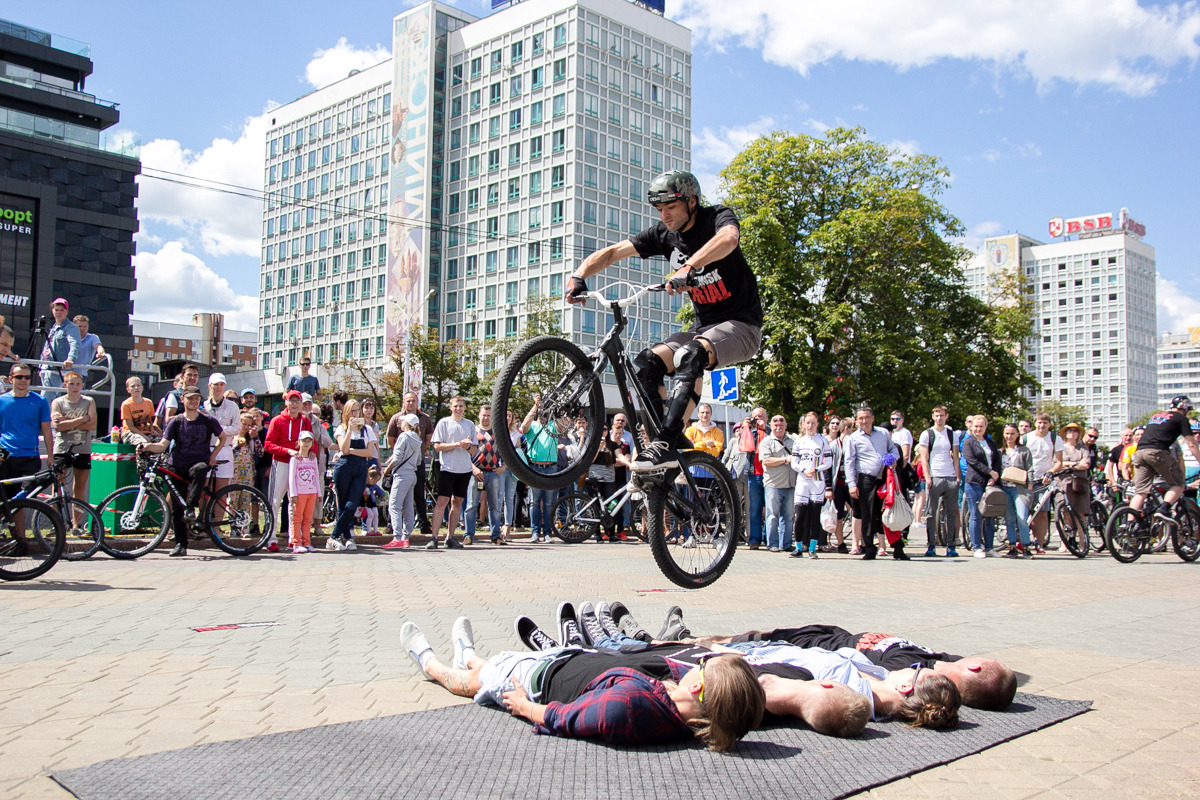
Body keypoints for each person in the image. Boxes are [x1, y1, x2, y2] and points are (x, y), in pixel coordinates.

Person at [565, 170, 763, 475]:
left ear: (692, 202)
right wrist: (579, 276)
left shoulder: (716, 218)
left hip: (742, 326)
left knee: (691, 354)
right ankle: (664, 440)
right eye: (659, 210)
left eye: (670, 207)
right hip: (703, 329)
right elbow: (615, 252)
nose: (665, 215)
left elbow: (729, 239)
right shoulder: (663, 235)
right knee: (647, 362)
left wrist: (690, 266)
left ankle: (665, 441)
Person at [400, 617, 765, 751]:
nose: (695, 664)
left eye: (702, 666)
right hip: (563, 661)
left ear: (700, 689)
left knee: (472, 681)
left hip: (538, 682)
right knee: (492, 663)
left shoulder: (632, 706)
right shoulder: (679, 700)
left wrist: (527, 707)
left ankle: (430, 662)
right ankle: (468, 653)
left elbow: (572, 718)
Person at [706, 621, 1015, 711]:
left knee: (754, 640)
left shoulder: (908, 671)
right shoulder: (943, 663)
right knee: (755, 639)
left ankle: (693, 640)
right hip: (836, 639)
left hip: (821, 647)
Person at [137, 386, 227, 557]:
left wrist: (213, 455)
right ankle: (180, 544)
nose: (194, 401)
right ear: (182, 400)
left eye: (196, 398)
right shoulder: (176, 421)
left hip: (198, 462)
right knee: (177, 507)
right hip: (177, 464)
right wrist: (147, 446)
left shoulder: (208, 420)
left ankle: (192, 508)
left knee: (200, 469)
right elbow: (163, 445)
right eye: (190, 398)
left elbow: (222, 437)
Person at [1129, 396, 1200, 522]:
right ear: (1184, 408)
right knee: (1178, 483)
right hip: (1157, 451)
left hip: (1139, 453)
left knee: (1141, 492)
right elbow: (1192, 444)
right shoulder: (1181, 418)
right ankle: (1164, 509)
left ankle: (1129, 525)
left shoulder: (1156, 416)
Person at [844, 407, 899, 560]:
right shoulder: (853, 438)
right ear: (856, 420)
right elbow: (849, 462)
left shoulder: (882, 434)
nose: (864, 421)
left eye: (867, 417)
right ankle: (869, 548)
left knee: (888, 511)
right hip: (866, 479)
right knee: (867, 514)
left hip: (884, 477)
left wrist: (893, 458)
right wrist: (852, 484)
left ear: (872, 418)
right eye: (860, 418)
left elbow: (894, 449)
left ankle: (897, 546)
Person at [264, 390, 314, 553]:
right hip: (282, 463)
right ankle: (270, 538)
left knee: (295, 503)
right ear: (286, 402)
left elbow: (310, 440)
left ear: (301, 404)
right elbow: (268, 444)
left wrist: (311, 450)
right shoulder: (277, 421)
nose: (294, 404)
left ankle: (295, 539)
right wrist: (287, 451)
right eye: (291, 401)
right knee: (275, 501)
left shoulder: (305, 421)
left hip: (300, 465)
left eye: (297, 401)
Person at [329, 398, 379, 550]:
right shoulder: (341, 429)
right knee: (342, 505)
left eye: (357, 410)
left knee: (352, 505)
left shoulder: (367, 430)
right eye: (351, 411)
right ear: (345, 413)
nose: (355, 414)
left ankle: (333, 537)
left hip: (359, 469)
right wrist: (350, 430)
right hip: (344, 468)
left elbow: (369, 452)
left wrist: (352, 451)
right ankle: (347, 537)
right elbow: (343, 449)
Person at [429, 397, 476, 549]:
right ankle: (434, 537)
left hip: (465, 469)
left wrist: (467, 447)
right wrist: (457, 444)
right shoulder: (443, 423)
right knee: (442, 501)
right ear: (450, 407)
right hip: (447, 468)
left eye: (461, 406)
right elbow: (437, 447)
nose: (458, 409)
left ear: (465, 408)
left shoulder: (469, 424)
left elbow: (474, 449)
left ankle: (450, 537)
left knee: (457, 502)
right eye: (455, 406)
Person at [0, 363, 54, 494]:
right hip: (6, 458)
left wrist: (50, 456)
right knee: (5, 503)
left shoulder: (40, 401)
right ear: (10, 379)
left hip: (30, 458)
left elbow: (47, 429)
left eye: (27, 377)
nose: (23, 380)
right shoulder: (1, 400)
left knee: (23, 501)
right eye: (19, 377)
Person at [386, 391, 434, 537]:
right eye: (408, 401)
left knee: (416, 495)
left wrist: (421, 452)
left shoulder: (424, 419)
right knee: (399, 498)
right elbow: (390, 438)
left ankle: (422, 523)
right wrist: (400, 453)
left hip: (413, 463)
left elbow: (428, 438)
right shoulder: (396, 418)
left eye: (413, 400)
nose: (411, 403)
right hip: (403, 462)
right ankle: (394, 526)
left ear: (417, 401)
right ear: (404, 402)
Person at [49, 371, 96, 517]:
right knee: (57, 486)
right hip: (62, 448)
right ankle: (55, 523)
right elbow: (58, 427)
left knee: (79, 488)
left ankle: (76, 524)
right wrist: (82, 419)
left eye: (78, 384)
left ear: (82, 385)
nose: (75, 387)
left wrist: (67, 422)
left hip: (83, 448)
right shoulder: (58, 402)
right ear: (65, 385)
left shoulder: (89, 401)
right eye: (71, 384)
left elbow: (92, 425)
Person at [917, 406, 959, 557]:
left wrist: (957, 476)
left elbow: (955, 456)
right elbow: (924, 458)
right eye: (936, 415)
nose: (939, 418)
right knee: (931, 513)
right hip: (935, 476)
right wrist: (927, 477)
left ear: (946, 416)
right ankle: (931, 545)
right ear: (933, 416)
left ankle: (950, 545)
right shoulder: (927, 434)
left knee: (951, 513)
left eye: (941, 415)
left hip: (950, 476)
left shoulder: (951, 434)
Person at [519, 393, 562, 544]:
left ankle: (548, 533)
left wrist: (559, 408)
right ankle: (535, 532)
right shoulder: (534, 425)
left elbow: (564, 424)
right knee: (534, 502)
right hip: (535, 467)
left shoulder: (552, 426)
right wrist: (535, 405)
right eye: (542, 410)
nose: (544, 413)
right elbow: (524, 426)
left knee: (549, 502)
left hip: (551, 467)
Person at [790, 412, 832, 559]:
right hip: (802, 480)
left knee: (815, 515)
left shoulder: (823, 441)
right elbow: (794, 462)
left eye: (813, 423)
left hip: (817, 481)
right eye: (807, 423)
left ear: (817, 424)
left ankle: (813, 549)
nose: (810, 426)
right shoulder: (799, 441)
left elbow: (829, 462)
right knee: (800, 515)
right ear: (803, 424)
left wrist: (816, 469)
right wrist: (803, 469)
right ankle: (799, 548)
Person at [1022, 413, 1064, 554]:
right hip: (1026, 479)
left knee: (1041, 512)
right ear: (1035, 423)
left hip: (1043, 480)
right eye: (1039, 422)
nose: (1042, 425)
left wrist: (1051, 472)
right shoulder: (1026, 438)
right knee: (1025, 511)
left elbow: (1059, 461)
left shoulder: (1055, 439)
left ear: (1049, 424)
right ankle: (1023, 541)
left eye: (1045, 423)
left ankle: (1039, 543)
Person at [465, 404, 506, 545]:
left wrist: (504, 467)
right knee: (471, 505)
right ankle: (468, 535)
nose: (486, 418)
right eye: (484, 415)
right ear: (479, 415)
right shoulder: (473, 431)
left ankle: (495, 536)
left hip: (493, 472)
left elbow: (507, 452)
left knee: (494, 506)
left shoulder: (498, 432)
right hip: (476, 472)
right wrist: (472, 468)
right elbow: (464, 454)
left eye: (489, 415)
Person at [962, 415, 1002, 558]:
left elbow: (997, 459)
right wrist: (989, 472)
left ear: (985, 427)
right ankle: (977, 547)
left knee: (990, 515)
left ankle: (990, 547)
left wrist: (994, 475)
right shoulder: (968, 442)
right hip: (975, 482)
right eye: (976, 426)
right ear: (971, 427)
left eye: (981, 426)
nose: (978, 429)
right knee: (976, 514)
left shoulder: (990, 443)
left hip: (990, 483)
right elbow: (972, 461)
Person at [383, 414, 422, 549]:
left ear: (407, 423)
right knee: (408, 506)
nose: (400, 423)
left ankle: (397, 537)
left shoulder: (404, 436)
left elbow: (398, 457)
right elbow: (418, 460)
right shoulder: (417, 439)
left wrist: (387, 469)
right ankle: (406, 537)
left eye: (402, 421)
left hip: (402, 474)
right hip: (412, 474)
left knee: (394, 505)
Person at [201, 373, 241, 504]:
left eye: (221, 385)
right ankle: (204, 521)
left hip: (225, 449)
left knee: (222, 491)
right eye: (216, 385)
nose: (218, 388)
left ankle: (216, 523)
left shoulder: (232, 406)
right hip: (206, 449)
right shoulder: (203, 406)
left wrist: (218, 429)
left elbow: (236, 428)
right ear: (209, 386)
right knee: (203, 489)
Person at [759, 415, 795, 553]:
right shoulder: (766, 442)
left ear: (786, 425)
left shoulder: (793, 441)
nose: (778, 425)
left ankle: (786, 544)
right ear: (771, 426)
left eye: (781, 423)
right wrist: (785, 459)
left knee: (788, 516)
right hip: (773, 484)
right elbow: (766, 461)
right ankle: (772, 543)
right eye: (775, 423)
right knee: (772, 515)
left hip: (791, 483)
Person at [998, 423, 1033, 558]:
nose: (1009, 436)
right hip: (1005, 488)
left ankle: (1025, 546)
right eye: (1007, 433)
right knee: (1009, 518)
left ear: (1018, 434)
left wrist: (1029, 486)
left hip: (1020, 488)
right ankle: (1012, 546)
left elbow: (1030, 468)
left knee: (1022, 518)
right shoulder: (1000, 452)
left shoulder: (1024, 450)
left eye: (1012, 433)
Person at [1057, 422, 1093, 548]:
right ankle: (1064, 543)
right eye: (1069, 430)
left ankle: (1083, 542)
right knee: (1064, 513)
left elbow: (1086, 464)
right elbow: (1057, 464)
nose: (1072, 433)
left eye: (1075, 430)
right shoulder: (1060, 448)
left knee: (1081, 514)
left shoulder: (1083, 448)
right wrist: (1075, 464)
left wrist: (1068, 464)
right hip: (1064, 484)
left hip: (1080, 484)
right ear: (1065, 434)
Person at [39, 298, 80, 399]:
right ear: (52, 310)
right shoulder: (54, 327)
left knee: (46, 400)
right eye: (56, 310)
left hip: (58, 370)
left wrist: (71, 359)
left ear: (67, 312)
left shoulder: (71, 327)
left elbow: (75, 344)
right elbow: (47, 347)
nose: (59, 312)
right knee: (50, 400)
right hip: (48, 368)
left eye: (62, 310)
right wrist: (41, 365)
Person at [288, 430, 321, 554]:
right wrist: (293, 494)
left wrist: (319, 493)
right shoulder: (295, 459)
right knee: (297, 518)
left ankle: (307, 542)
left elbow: (316, 476)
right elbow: (291, 477)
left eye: (309, 441)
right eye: (304, 441)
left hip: (311, 492)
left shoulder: (313, 459)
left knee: (308, 519)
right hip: (300, 493)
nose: (306, 444)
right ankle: (296, 542)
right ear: (299, 442)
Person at [120, 376, 159, 446]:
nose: (136, 388)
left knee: (162, 442)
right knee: (143, 443)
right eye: (133, 386)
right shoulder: (126, 404)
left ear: (142, 388)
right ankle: (141, 456)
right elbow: (130, 427)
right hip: (130, 433)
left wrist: (152, 429)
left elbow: (150, 420)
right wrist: (145, 437)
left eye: (138, 385)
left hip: (146, 431)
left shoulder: (149, 402)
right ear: (128, 390)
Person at [361, 466, 385, 536]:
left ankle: (375, 530)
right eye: (375, 481)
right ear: (370, 478)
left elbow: (381, 492)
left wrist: (382, 495)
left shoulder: (374, 485)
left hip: (372, 502)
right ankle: (368, 530)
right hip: (366, 502)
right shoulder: (363, 485)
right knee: (370, 515)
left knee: (376, 514)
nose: (375, 483)